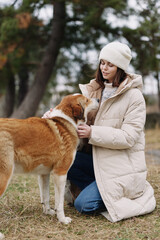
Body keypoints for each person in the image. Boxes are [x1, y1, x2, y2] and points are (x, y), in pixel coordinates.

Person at [43, 41, 156, 222]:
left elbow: (129, 137)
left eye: (110, 64)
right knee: (60, 158)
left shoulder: (134, 97)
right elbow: (70, 108)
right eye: (102, 62)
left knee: (83, 205)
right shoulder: (94, 90)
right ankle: (100, 188)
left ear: (120, 67)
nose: (104, 68)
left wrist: (92, 133)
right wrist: (51, 117)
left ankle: (121, 194)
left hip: (121, 167)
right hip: (97, 161)